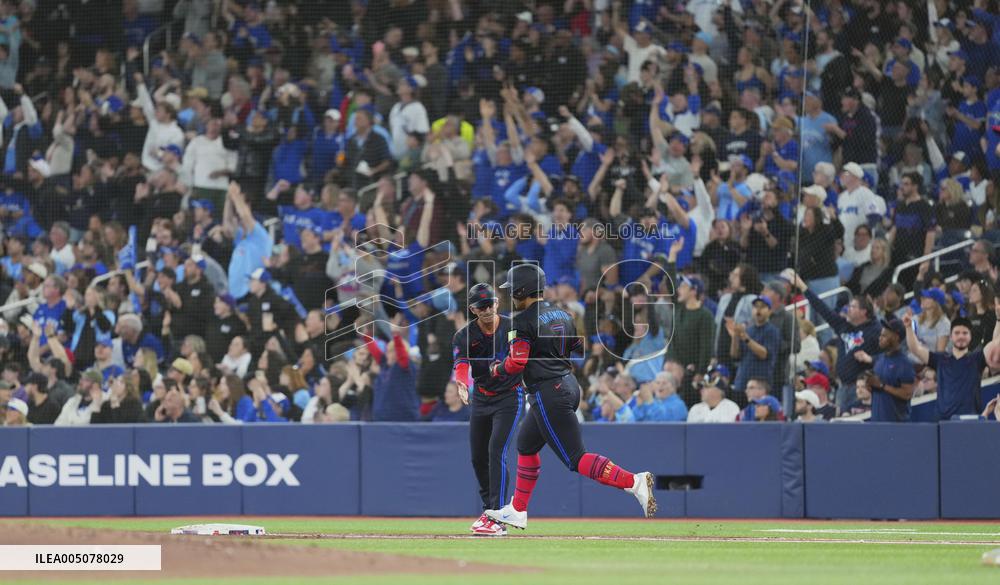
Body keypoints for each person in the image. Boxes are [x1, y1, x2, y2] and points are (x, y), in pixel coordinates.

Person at [485, 263, 656, 530]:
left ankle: (634, 482)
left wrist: (497, 369)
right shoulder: (562, 314)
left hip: (548, 392)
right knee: (526, 445)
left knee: (576, 458)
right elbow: (575, 346)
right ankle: (517, 509)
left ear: (521, 291)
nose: (510, 296)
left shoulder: (521, 321)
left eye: (512, 291)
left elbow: (517, 362)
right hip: (567, 383)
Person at [452, 283, 525, 536]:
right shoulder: (464, 335)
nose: (486, 310)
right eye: (480, 306)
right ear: (473, 310)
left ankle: (498, 514)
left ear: (497, 303)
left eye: (489, 304)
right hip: (482, 397)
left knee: (496, 451)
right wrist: (461, 383)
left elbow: (522, 357)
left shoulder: (513, 327)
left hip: (510, 396)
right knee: (478, 457)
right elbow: (461, 362)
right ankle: (489, 512)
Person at [787, 270, 882, 414]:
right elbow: (822, 309)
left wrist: (870, 359)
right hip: (842, 387)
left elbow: (887, 355)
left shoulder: (876, 330)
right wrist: (803, 287)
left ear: (863, 312)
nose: (848, 309)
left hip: (863, 389)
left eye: (853, 307)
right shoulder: (843, 326)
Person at [905, 314, 1000, 421]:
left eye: (965, 333)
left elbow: (995, 346)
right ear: (951, 336)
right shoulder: (940, 359)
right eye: (957, 333)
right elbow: (915, 349)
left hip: (970, 421)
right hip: (943, 422)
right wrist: (908, 327)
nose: (961, 336)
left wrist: (999, 319)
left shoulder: (977, 359)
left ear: (970, 336)